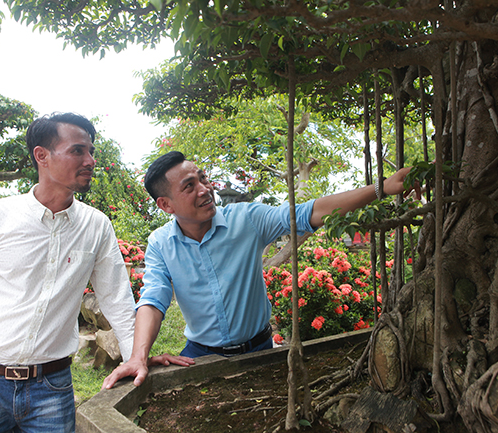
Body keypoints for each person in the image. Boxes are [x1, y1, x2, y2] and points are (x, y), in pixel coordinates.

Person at [0, 113, 192, 433]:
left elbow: (116, 298)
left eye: (91, 151)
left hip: (51, 388)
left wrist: (138, 355)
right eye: (78, 150)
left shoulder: (96, 226)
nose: (90, 160)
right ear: (42, 156)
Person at [102, 151, 415, 390]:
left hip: (261, 349)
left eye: (203, 179)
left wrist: (382, 187)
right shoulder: (160, 243)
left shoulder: (247, 219)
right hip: (199, 355)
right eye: (189, 186)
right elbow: (154, 299)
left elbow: (310, 212)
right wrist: (138, 356)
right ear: (166, 205)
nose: (204, 189)